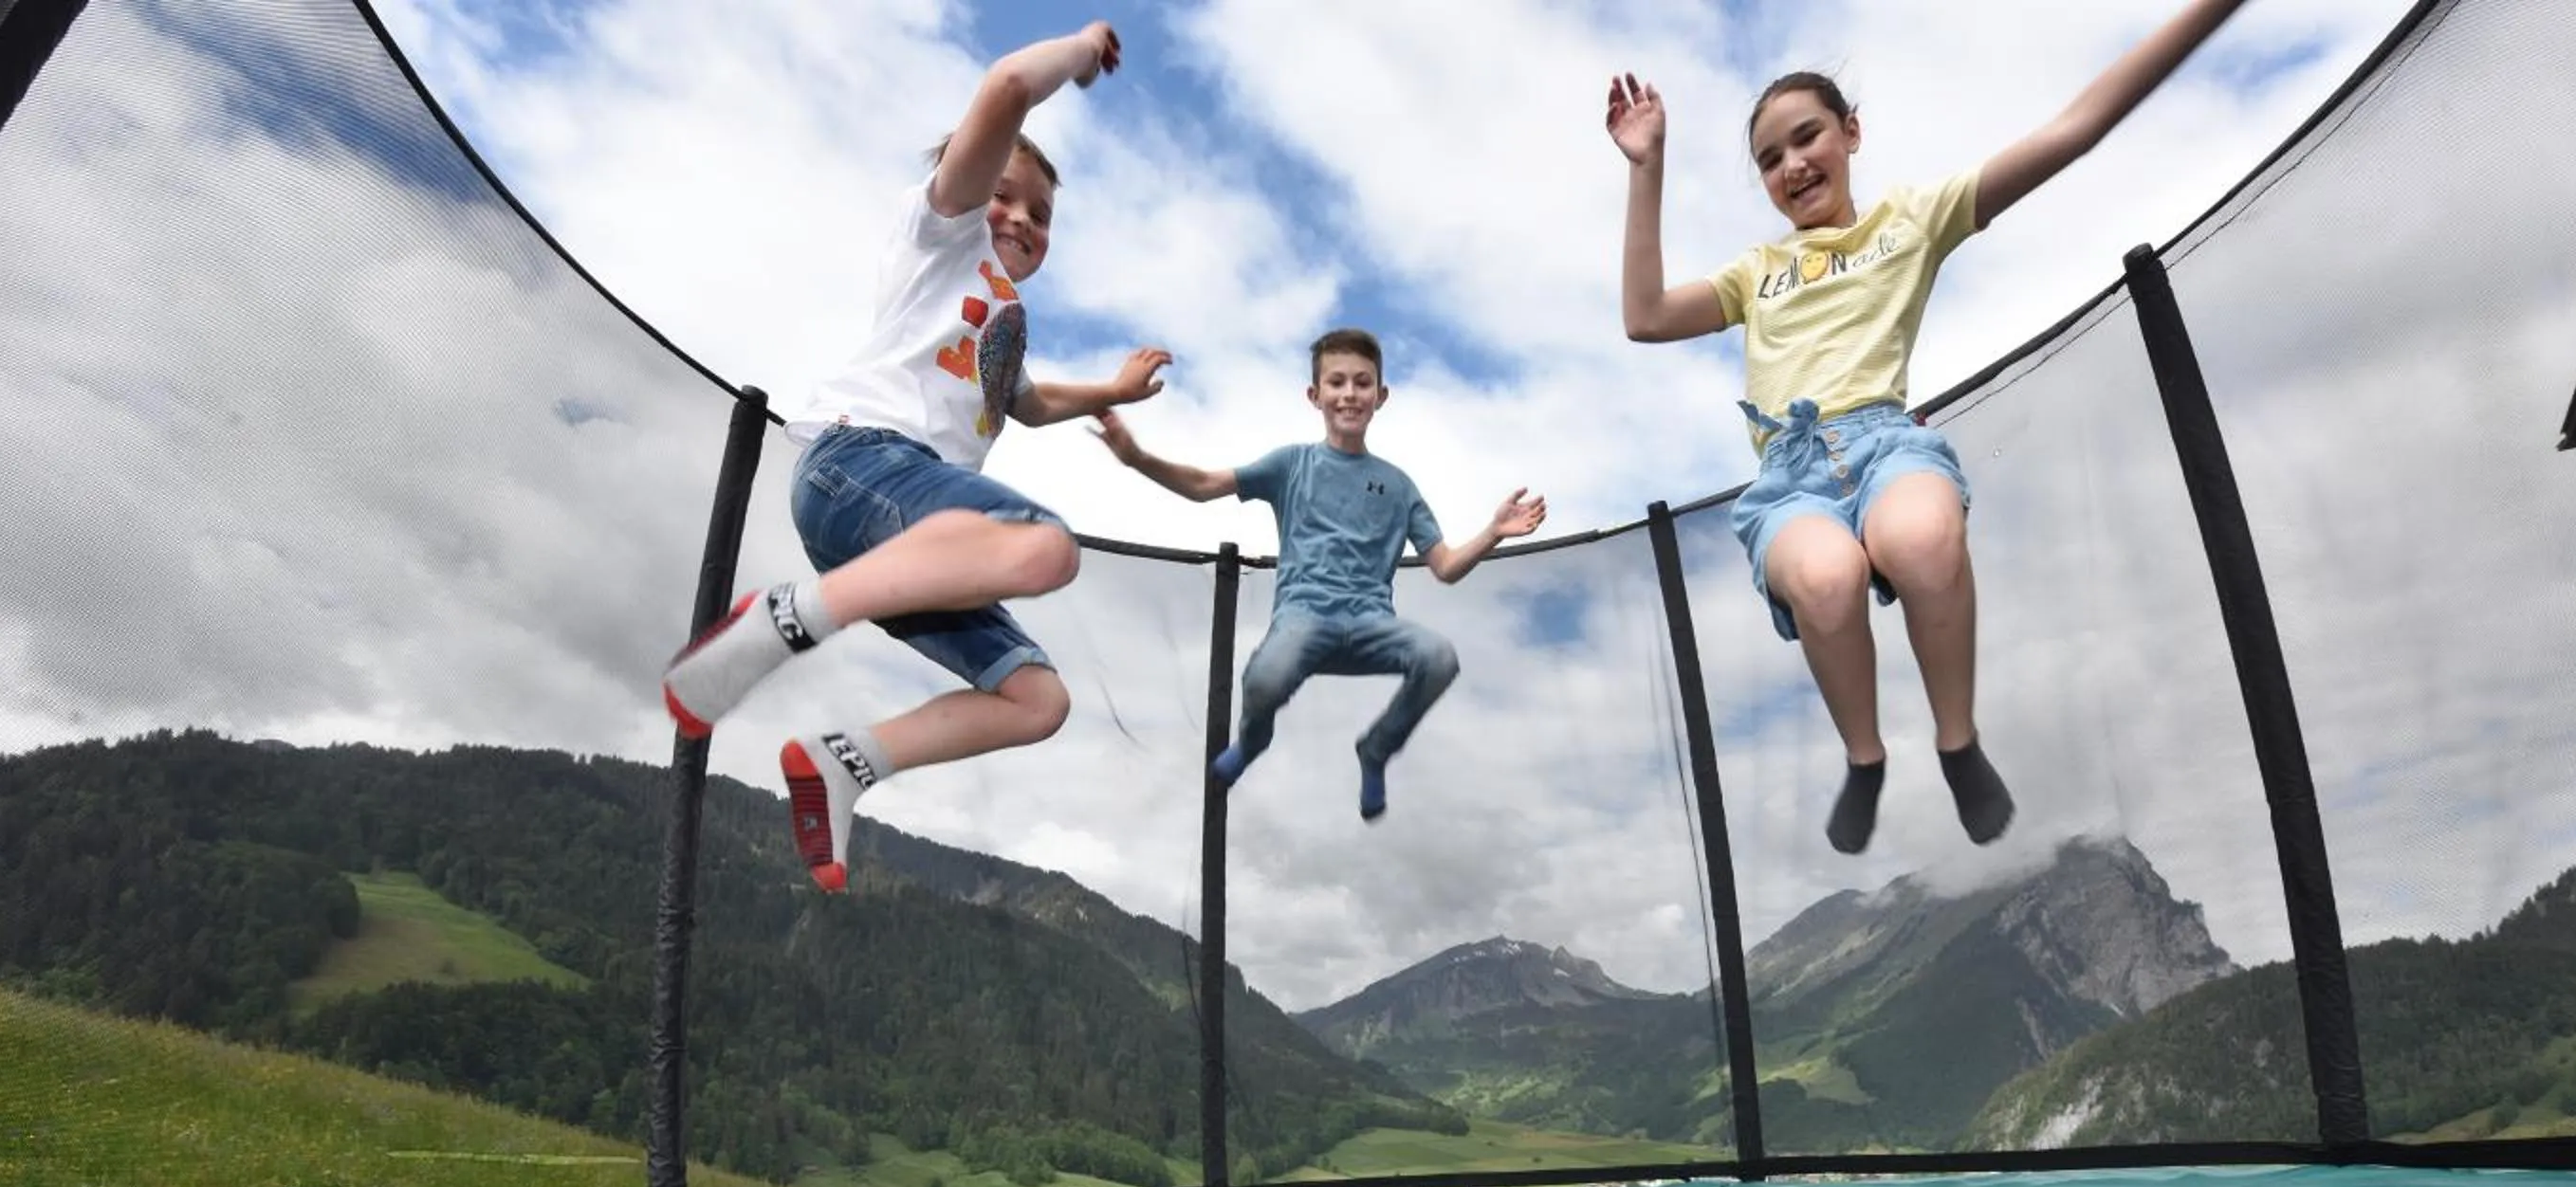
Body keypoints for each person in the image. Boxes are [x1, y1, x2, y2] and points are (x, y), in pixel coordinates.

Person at [1607, 0, 2252, 854]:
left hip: (1885, 444)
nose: (1792, 165)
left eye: (1807, 138)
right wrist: (1646, 167)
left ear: (1852, 133)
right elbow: (1645, 316)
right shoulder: (1753, 274)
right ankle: (1865, 758)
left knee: (1919, 539)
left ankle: (1957, 740)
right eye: (1770, 159)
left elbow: (2076, 129)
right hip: (1789, 477)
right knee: (1829, 581)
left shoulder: (1912, 222)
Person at [660, 20, 1173, 891]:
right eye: (1006, 196)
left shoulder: (1002, 314)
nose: (1020, 219)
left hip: (905, 543)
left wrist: (1112, 395)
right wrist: (1084, 50)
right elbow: (1008, 87)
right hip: (858, 467)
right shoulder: (942, 236)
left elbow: (1030, 404)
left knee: (1037, 701)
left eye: (1041, 216)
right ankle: (785, 618)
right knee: (1045, 547)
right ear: (969, 187)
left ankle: (846, 762)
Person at [1092, 328, 1546, 820]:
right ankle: (1252, 741)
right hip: (1304, 619)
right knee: (1264, 681)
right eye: (1336, 383)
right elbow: (1203, 485)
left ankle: (1375, 750)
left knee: (1439, 658)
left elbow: (1445, 566)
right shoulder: (1292, 465)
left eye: (1362, 383)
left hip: (1372, 624)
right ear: (1316, 395)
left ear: (1380, 396)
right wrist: (1137, 459)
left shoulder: (1398, 486)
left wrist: (1493, 531)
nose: (1349, 394)